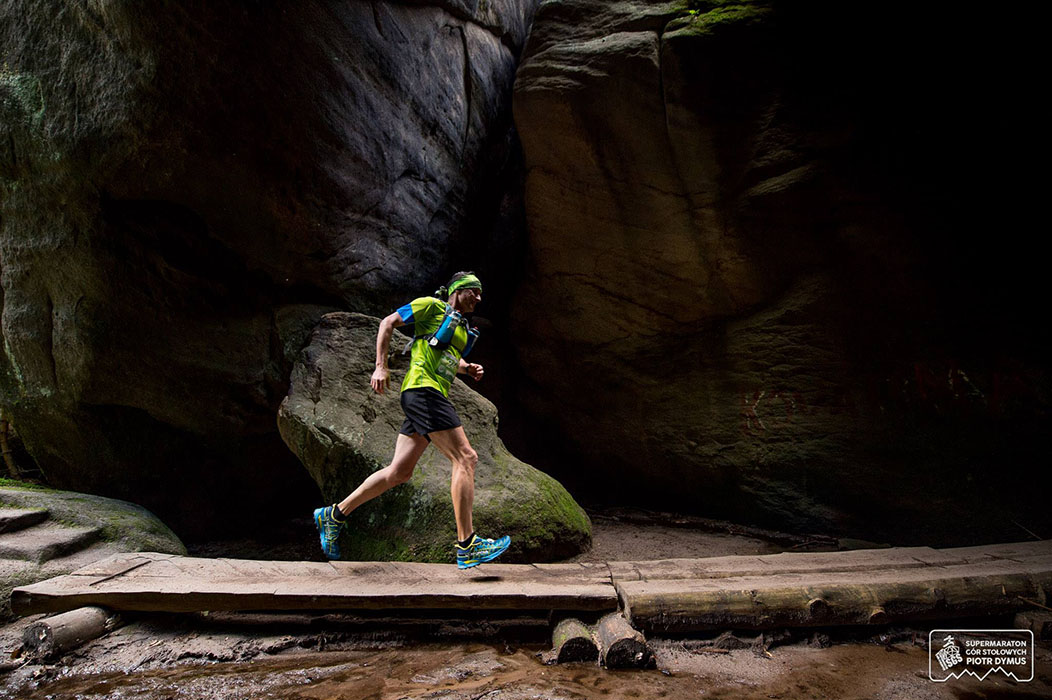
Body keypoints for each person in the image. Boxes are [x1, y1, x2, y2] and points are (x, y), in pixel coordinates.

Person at [313, 272, 511, 569]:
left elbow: (443, 352)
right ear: (458, 289)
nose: (479, 298)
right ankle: (467, 545)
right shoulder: (430, 306)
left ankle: (334, 515)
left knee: (399, 472)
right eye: (475, 291)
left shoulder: (459, 325)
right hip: (423, 390)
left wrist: (467, 368)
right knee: (466, 457)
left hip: (429, 393)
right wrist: (380, 367)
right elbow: (387, 322)